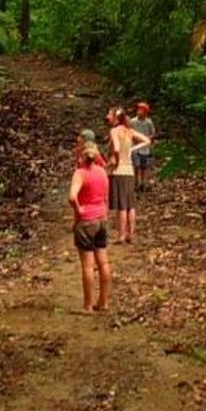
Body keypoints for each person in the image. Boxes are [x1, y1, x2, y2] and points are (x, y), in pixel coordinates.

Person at [67, 132, 112, 313]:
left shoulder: (80, 173)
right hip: (101, 220)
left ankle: (88, 305)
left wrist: (79, 210)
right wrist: (104, 214)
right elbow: (106, 197)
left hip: (86, 222)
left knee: (88, 265)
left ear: (82, 156)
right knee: (104, 263)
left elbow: (72, 197)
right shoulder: (102, 172)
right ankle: (103, 302)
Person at [105, 105, 151, 246]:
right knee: (130, 205)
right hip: (130, 171)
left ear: (115, 118)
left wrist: (116, 160)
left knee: (121, 206)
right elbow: (147, 140)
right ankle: (130, 234)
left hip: (119, 171)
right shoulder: (129, 131)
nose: (107, 117)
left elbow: (117, 148)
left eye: (109, 114)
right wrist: (132, 149)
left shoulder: (114, 131)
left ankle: (121, 235)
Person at [131, 99, 156, 190]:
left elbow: (152, 133)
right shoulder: (133, 121)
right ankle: (136, 182)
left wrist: (148, 139)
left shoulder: (148, 122)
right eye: (138, 110)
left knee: (144, 166)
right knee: (136, 165)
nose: (139, 112)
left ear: (145, 112)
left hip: (145, 148)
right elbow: (130, 131)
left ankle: (143, 182)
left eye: (141, 110)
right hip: (135, 146)